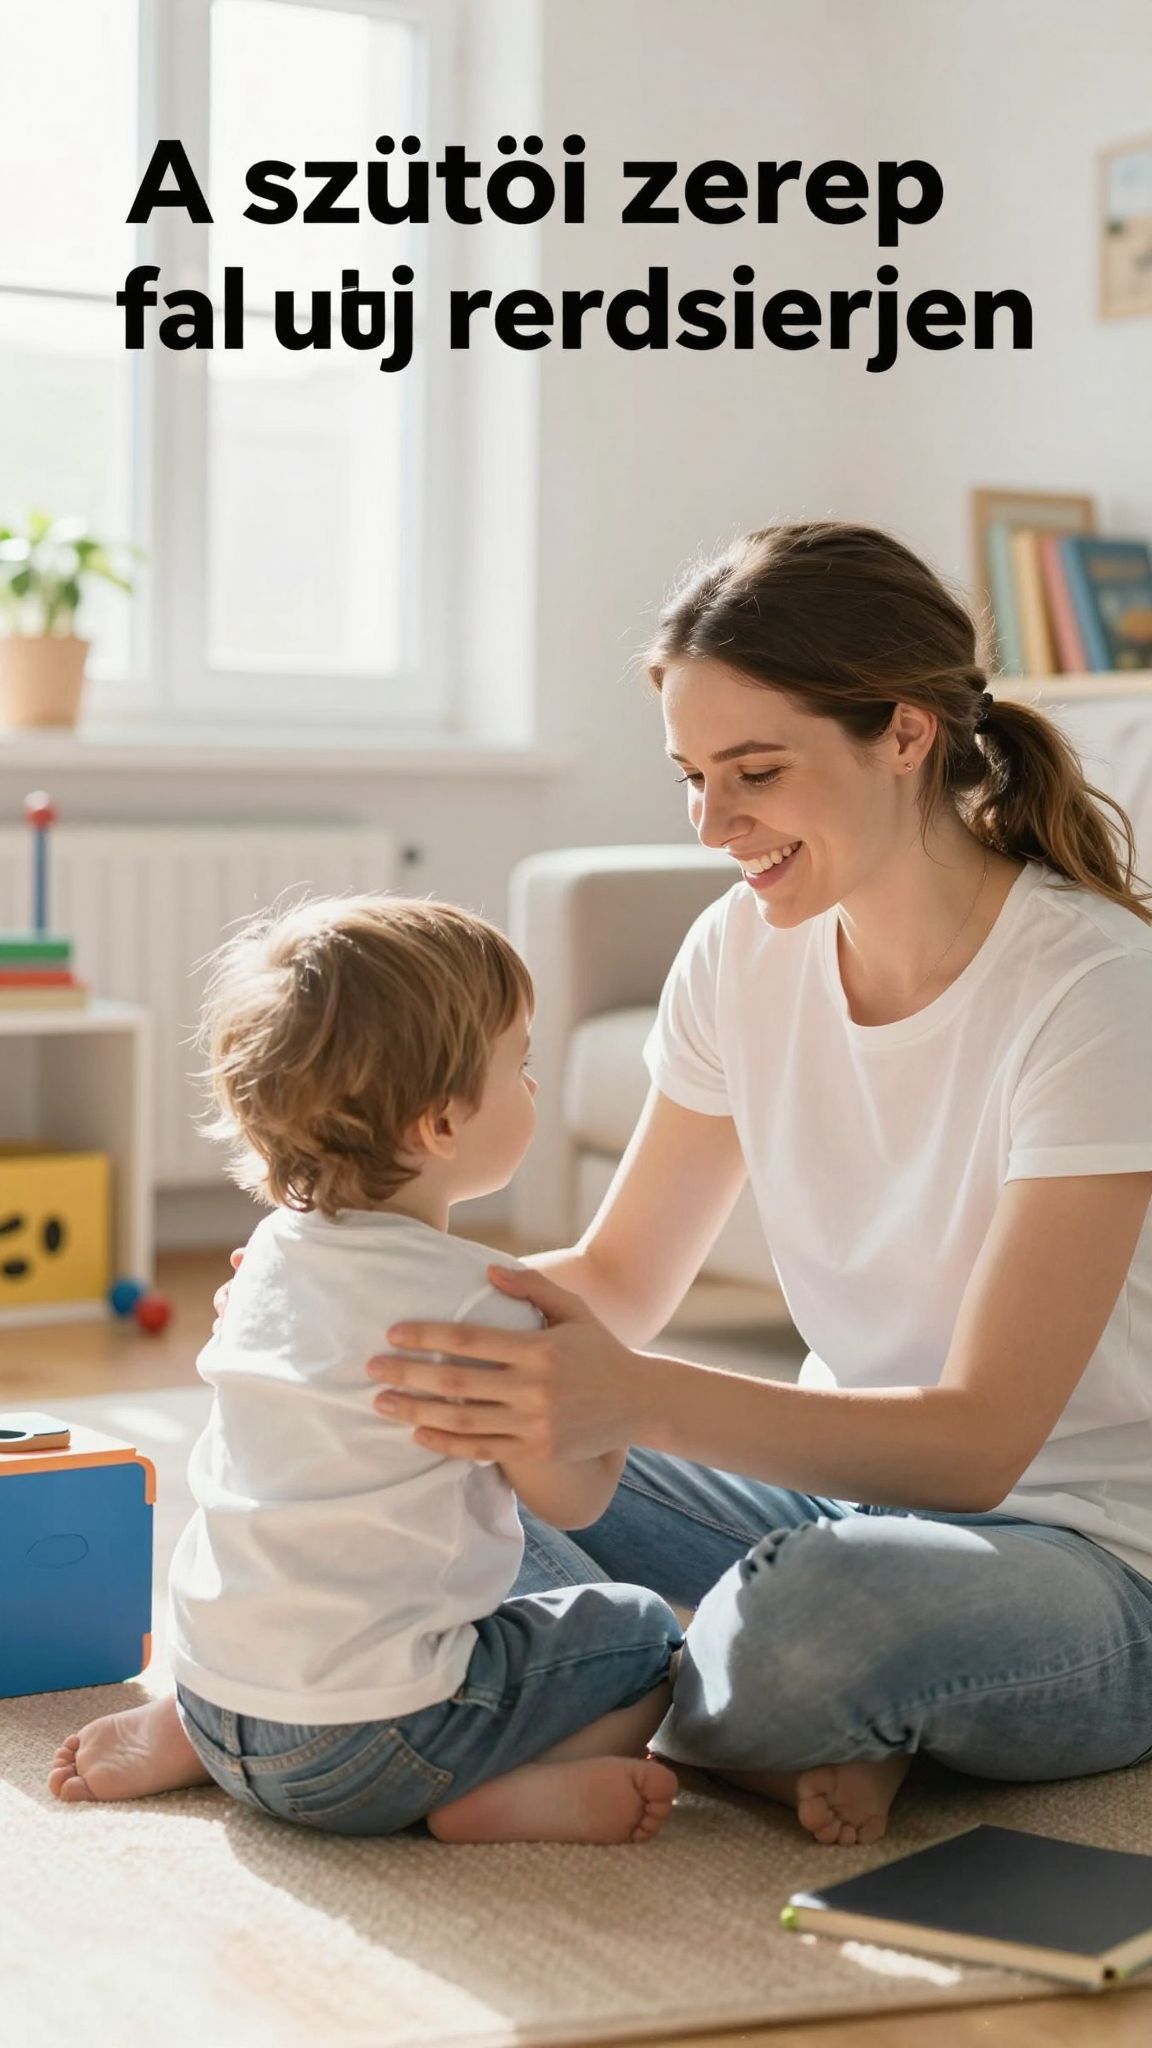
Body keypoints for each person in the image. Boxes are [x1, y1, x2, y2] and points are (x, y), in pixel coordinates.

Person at [355, 520, 1152, 1850]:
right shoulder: (739, 951)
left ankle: (659, 1693)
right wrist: (381, 1312)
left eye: (755, 773)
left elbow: (980, 1439)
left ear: (903, 733)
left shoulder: (1093, 991)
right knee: (447, 1441)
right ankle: (763, 1725)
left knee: (815, 1619)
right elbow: (616, 1282)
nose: (713, 827)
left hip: (1079, 1565)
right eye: (690, 777)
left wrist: (631, 1394)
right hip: (831, 1503)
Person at [48, 894, 681, 1844]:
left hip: (221, 1695)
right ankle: (482, 1796)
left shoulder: (265, 1258)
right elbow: (577, 1503)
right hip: (374, 1750)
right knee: (644, 1638)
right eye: (522, 1065)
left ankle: (191, 1730)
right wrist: (609, 1381)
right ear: (438, 1124)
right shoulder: (486, 1307)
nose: (536, 1088)